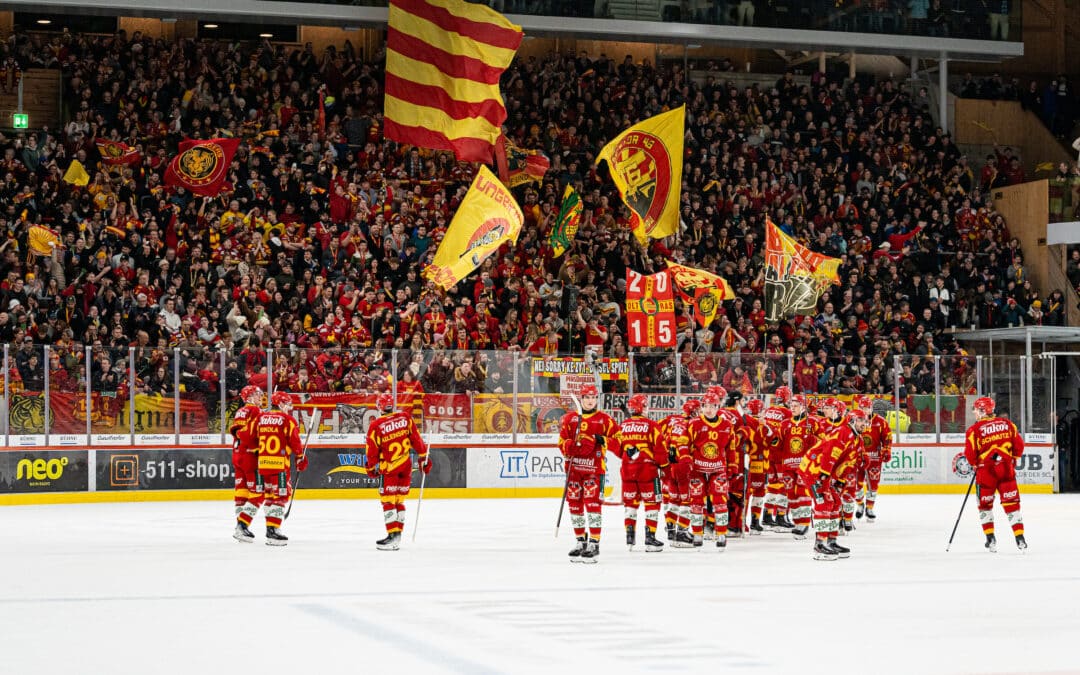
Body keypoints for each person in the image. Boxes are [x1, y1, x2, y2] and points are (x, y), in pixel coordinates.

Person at [558, 384, 619, 563]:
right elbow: (561, 442)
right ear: (582, 399)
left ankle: (594, 543)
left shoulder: (604, 420)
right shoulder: (570, 419)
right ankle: (580, 542)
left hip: (593, 470)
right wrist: (570, 446)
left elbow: (619, 441)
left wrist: (604, 440)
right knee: (575, 506)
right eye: (586, 397)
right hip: (574, 471)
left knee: (593, 506)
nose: (590, 400)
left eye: (593, 397)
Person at [365, 392, 430, 551]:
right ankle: (397, 535)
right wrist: (423, 457)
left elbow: (371, 450)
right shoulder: (405, 418)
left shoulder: (376, 425)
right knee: (399, 501)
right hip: (406, 466)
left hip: (390, 468)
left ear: (379, 407)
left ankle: (393, 537)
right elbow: (416, 439)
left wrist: (371, 467)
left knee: (388, 501)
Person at [799, 399, 861, 561]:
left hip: (821, 471)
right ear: (853, 421)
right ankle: (820, 545)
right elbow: (829, 454)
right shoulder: (844, 433)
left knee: (836, 502)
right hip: (814, 471)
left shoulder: (853, 437)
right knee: (824, 503)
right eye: (861, 420)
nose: (865, 423)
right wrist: (825, 476)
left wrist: (839, 481)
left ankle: (831, 541)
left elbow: (846, 463)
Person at [964, 397, 1027, 552]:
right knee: (1012, 503)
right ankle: (1020, 538)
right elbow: (1019, 445)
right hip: (1006, 469)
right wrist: (1014, 458)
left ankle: (990, 539)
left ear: (982, 410)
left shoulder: (974, 430)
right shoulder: (1007, 424)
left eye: (976, 409)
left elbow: (970, 453)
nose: (974, 412)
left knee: (985, 505)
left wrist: (974, 464)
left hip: (986, 472)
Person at [681, 390, 738, 550]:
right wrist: (685, 458)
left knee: (720, 501)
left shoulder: (727, 425)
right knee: (696, 502)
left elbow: (731, 448)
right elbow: (684, 442)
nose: (708, 409)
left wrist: (732, 465)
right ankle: (697, 533)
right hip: (697, 468)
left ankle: (721, 534)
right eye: (705, 406)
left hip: (718, 468)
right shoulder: (694, 424)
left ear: (718, 406)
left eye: (712, 406)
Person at [614, 393, 667, 552]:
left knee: (631, 504)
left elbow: (617, 449)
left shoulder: (623, 425)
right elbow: (660, 450)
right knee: (652, 503)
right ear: (642, 407)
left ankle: (630, 537)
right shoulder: (652, 425)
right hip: (647, 472)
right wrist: (664, 466)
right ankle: (650, 538)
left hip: (627, 471)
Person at [252, 391, 306, 546]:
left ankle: (271, 528)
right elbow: (295, 441)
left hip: (262, 465)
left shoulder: (260, 418)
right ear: (281, 404)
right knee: (281, 497)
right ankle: (272, 530)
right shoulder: (287, 420)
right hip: (279, 465)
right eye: (287, 404)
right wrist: (300, 457)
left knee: (269, 496)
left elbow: (254, 439)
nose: (289, 408)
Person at [777, 394, 817, 540]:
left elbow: (824, 442)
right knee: (791, 494)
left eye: (796, 406)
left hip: (805, 466)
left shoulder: (812, 422)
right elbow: (778, 444)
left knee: (802, 492)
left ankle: (805, 522)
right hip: (788, 464)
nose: (792, 408)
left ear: (803, 407)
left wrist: (813, 439)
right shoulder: (784, 424)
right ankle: (798, 521)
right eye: (791, 406)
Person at [660, 398, 697, 546]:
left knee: (674, 499)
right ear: (693, 411)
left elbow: (663, 437)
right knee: (687, 500)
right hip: (683, 464)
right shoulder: (692, 424)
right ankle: (681, 533)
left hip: (671, 465)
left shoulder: (673, 421)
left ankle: (670, 529)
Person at [231, 385, 264, 542]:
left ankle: (240, 526)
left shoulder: (240, 411)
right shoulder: (255, 411)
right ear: (250, 397)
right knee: (259, 492)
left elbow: (237, 432)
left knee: (241, 493)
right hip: (250, 456)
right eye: (257, 395)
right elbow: (255, 434)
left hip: (237, 455)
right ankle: (242, 526)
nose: (260, 398)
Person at [854, 395, 893, 521]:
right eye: (862, 408)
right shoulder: (854, 421)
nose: (864, 410)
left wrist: (886, 450)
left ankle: (869, 508)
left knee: (873, 484)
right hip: (857, 458)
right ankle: (860, 504)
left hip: (874, 459)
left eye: (867, 408)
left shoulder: (880, 421)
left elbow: (887, 437)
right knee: (856, 484)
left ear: (871, 408)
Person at [762, 385, 794, 531]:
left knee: (773, 484)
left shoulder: (768, 410)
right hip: (781, 454)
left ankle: (767, 515)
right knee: (784, 484)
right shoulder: (788, 412)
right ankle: (781, 516)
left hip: (769, 453)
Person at [741, 398, 773, 534]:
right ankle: (743, 522)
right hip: (751, 463)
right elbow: (762, 441)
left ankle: (754, 521)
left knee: (758, 492)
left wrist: (766, 426)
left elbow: (772, 439)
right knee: (748, 493)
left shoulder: (762, 424)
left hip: (760, 463)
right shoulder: (750, 423)